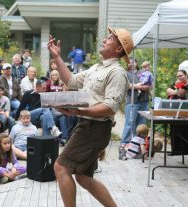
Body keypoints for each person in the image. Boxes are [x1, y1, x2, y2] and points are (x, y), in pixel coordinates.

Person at [47, 26, 133, 207]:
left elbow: (110, 107)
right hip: (88, 126)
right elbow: (70, 81)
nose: (104, 40)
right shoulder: (96, 68)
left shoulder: (117, 73)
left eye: (110, 38)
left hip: (94, 129)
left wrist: (78, 110)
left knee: (60, 167)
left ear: (118, 49)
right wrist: (57, 56)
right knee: (83, 178)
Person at [120, 58, 151, 151]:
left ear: (137, 63)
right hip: (132, 101)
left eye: (133, 61)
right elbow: (124, 85)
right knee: (130, 123)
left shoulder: (143, 72)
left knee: (142, 124)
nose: (131, 63)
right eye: (129, 62)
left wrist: (147, 87)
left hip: (144, 101)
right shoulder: (125, 73)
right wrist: (136, 86)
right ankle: (125, 143)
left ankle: (140, 144)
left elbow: (150, 83)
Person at [166, 70, 188, 155]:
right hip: (175, 111)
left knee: (183, 130)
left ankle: (184, 151)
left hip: (185, 112)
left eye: (181, 75)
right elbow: (168, 90)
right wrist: (177, 90)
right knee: (174, 130)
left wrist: (176, 90)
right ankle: (175, 150)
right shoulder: (177, 83)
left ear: (186, 75)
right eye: (178, 76)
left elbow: (182, 94)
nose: (179, 78)